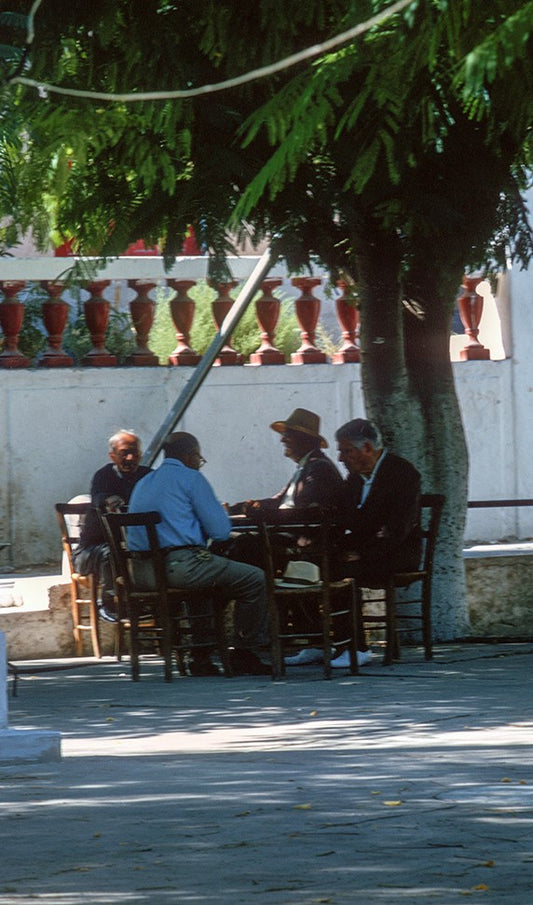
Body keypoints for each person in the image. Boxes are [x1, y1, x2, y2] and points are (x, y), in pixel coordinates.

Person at [127, 431, 270, 676]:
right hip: (178, 568)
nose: (198, 463)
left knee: (203, 579)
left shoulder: (144, 482)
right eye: (199, 459)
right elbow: (221, 531)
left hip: (141, 573)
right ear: (190, 456)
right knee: (254, 579)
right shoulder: (191, 478)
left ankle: (201, 656)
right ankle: (244, 652)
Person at [329, 417, 422, 668]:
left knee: (341, 572)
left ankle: (356, 648)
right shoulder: (355, 478)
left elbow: (396, 529)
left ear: (367, 448)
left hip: (397, 554)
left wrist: (362, 553)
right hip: (366, 549)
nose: (340, 458)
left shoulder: (402, 473)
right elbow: (345, 517)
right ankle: (333, 643)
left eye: (346, 451)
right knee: (319, 565)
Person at [72, 429, 152, 621]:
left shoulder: (147, 475)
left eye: (134, 453)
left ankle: (146, 603)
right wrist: (108, 499)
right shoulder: (104, 476)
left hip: (131, 546)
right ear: (112, 456)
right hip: (91, 552)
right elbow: (98, 497)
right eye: (124, 453)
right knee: (112, 553)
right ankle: (110, 604)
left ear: (140, 455)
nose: (130, 458)